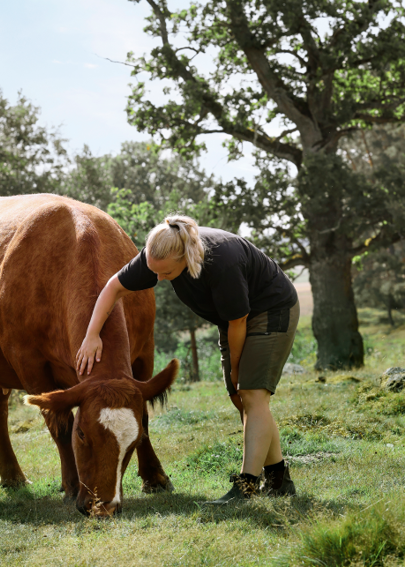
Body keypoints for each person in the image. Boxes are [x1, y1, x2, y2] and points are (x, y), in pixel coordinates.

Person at [75, 215, 300, 504]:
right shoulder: (159, 253)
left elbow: (239, 319)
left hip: (270, 310)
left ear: (186, 258)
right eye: (154, 272)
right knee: (240, 399)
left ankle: (246, 488)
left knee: (251, 394)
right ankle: (279, 478)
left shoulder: (221, 262)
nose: (157, 279)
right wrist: (92, 334)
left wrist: (236, 368)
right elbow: (112, 288)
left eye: (165, 274)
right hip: (232, 320)